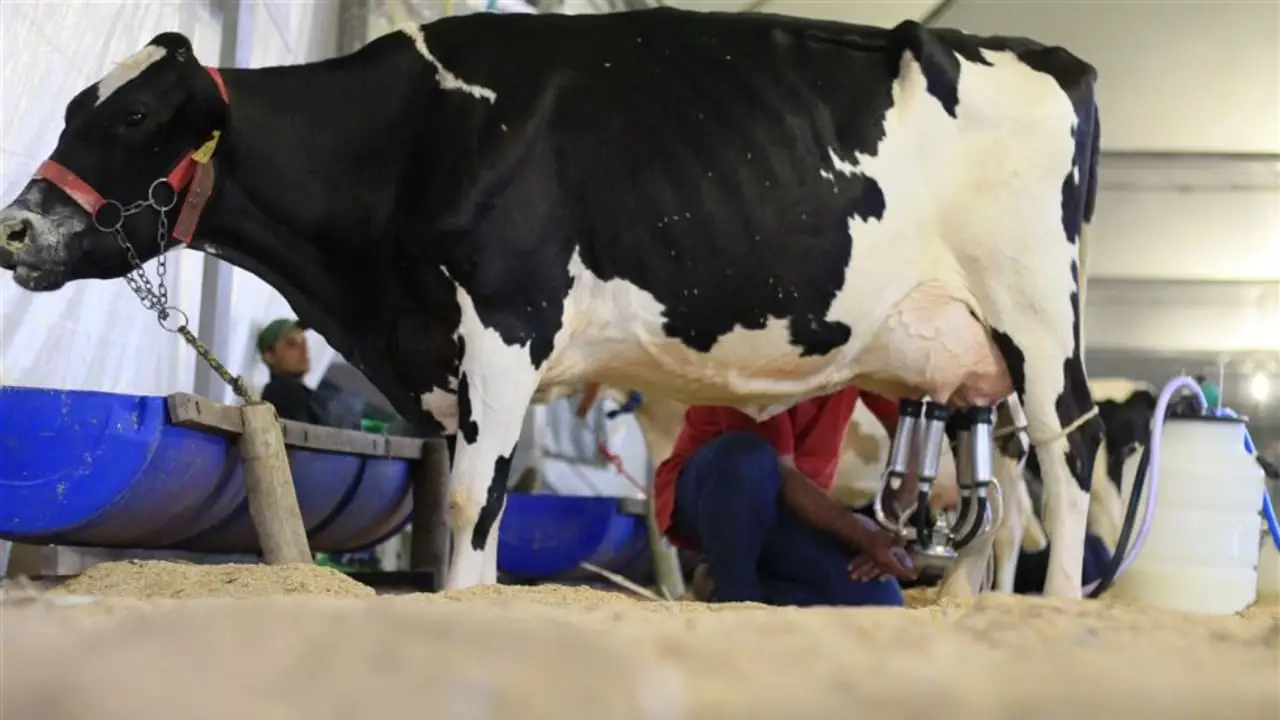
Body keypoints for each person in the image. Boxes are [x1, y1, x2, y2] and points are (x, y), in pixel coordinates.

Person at [653, 388, 919, 607]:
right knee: (748, 459)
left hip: (798, 510)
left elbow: (907, 429)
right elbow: (783, 473)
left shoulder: (856, 352)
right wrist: (861, 534)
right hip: (717, 495)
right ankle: (734, 591)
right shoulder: (767, 350)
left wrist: (892, 525)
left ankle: (721, 582)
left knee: (880, 601)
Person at [257, 318, 407, 432]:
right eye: (292, 344)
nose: (304, 350)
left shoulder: (316, 391)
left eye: (304, 342)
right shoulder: (281, 393)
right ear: (269, 355)